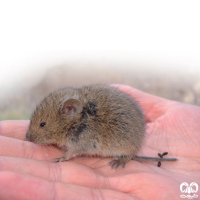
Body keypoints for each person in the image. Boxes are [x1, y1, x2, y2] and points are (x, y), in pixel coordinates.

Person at [0, 84, 199, 200]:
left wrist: (68, 155)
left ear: (70, 111)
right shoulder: (72, 118)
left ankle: (127, 155)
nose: (31, 135)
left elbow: (84, 144)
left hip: (125, 137)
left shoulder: (81, 128)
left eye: (42, 125)